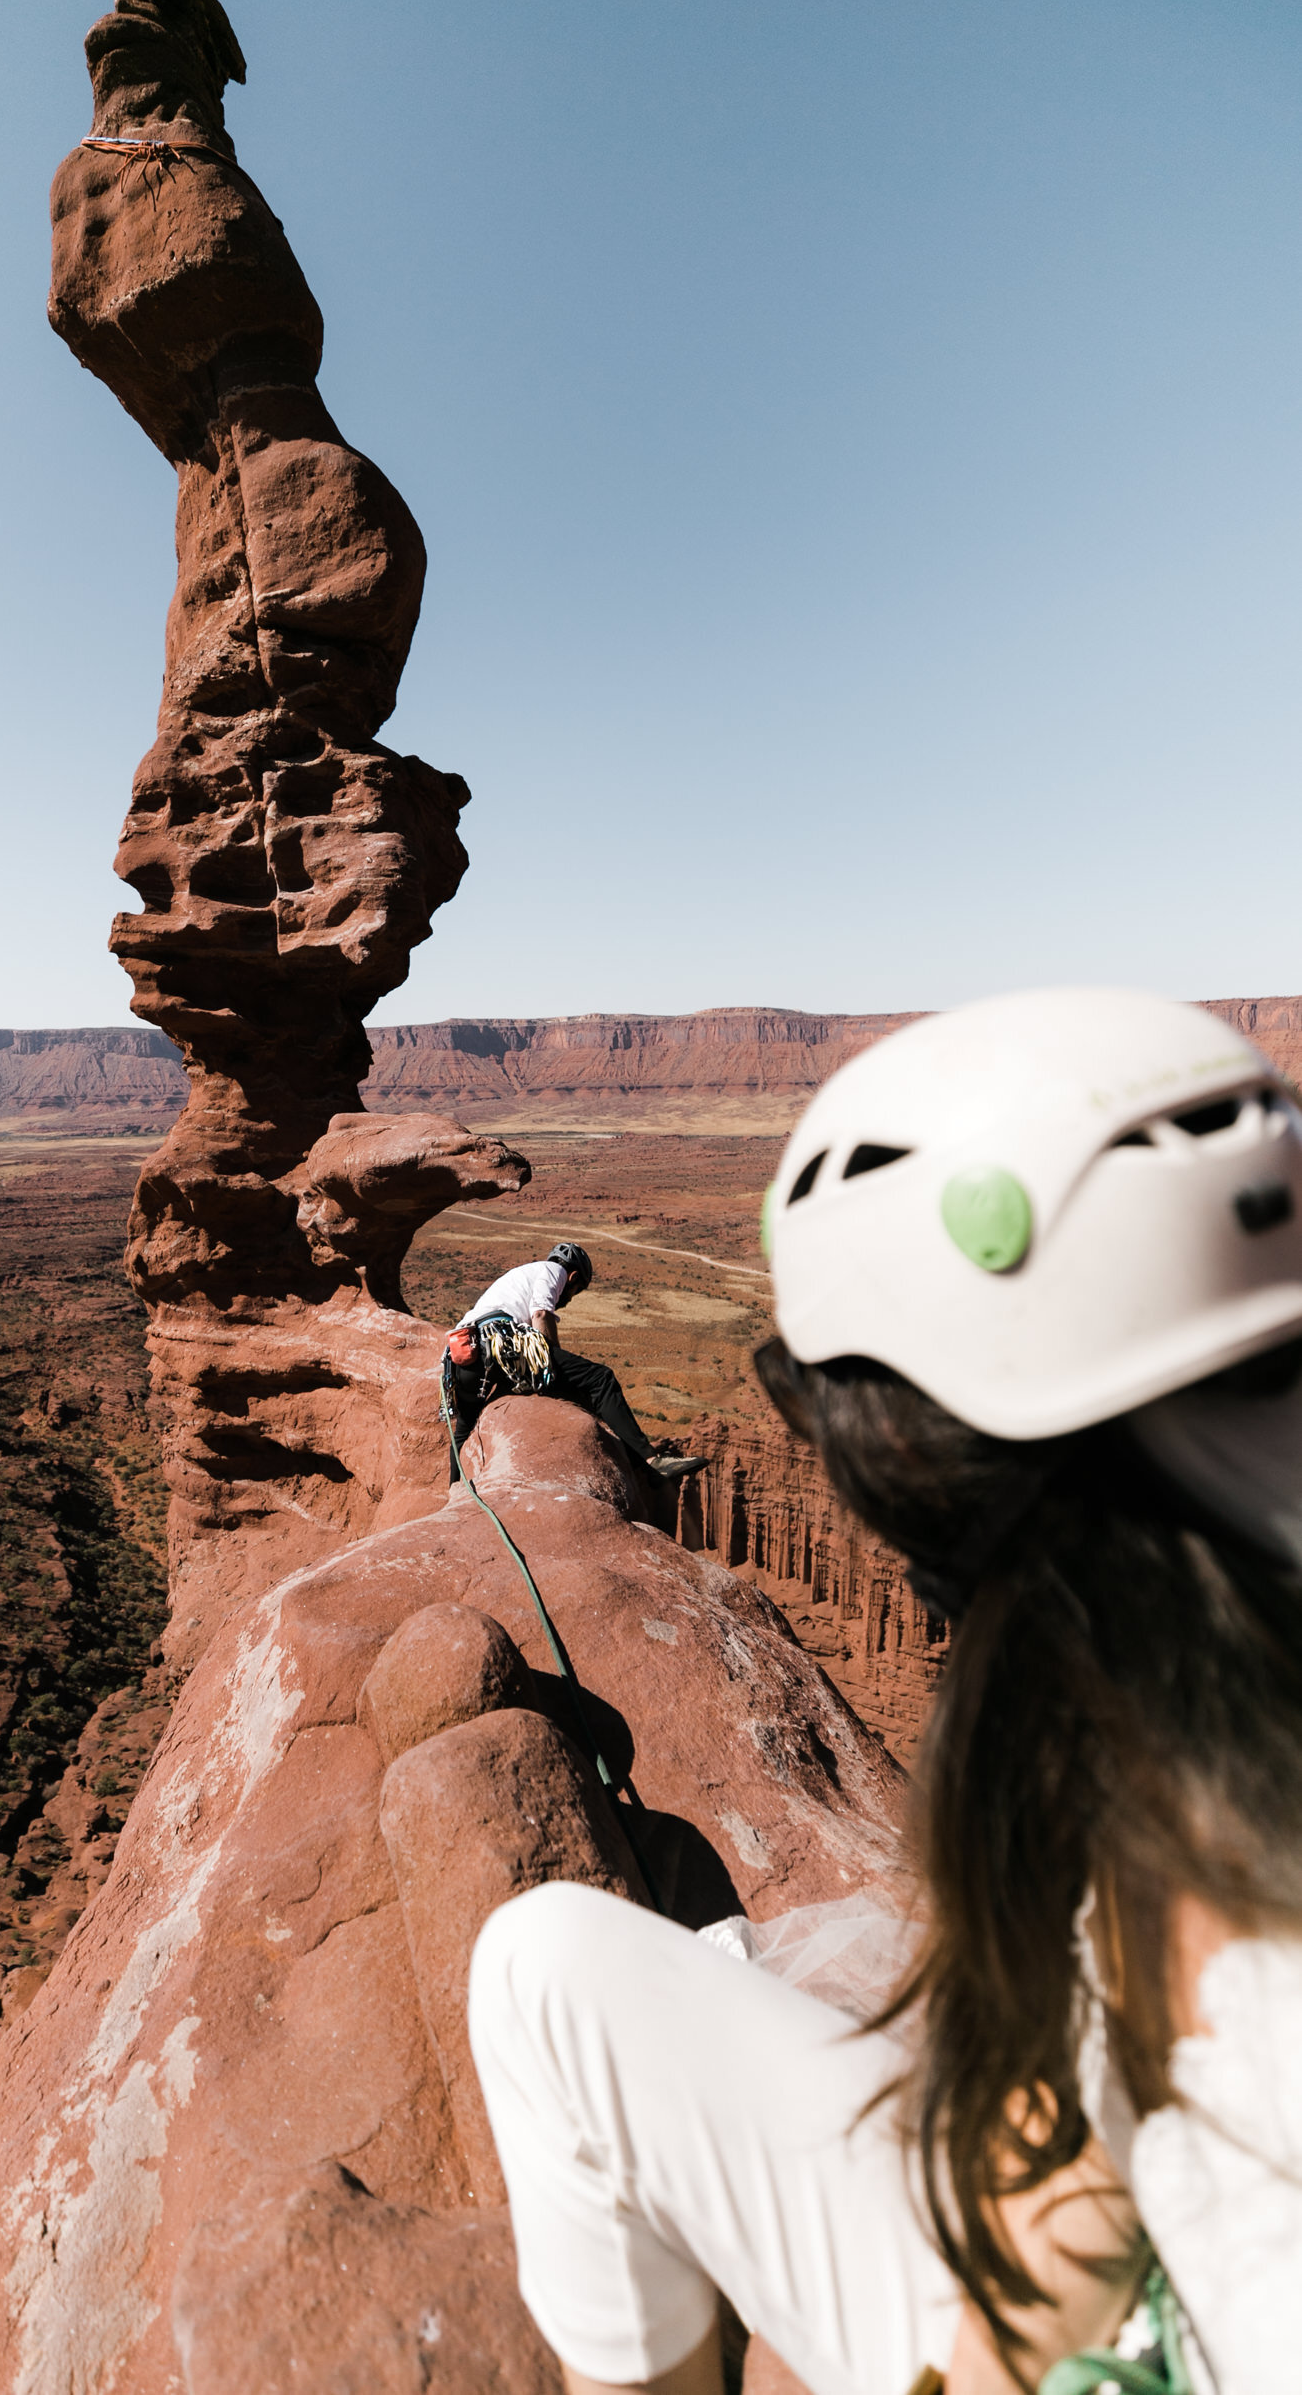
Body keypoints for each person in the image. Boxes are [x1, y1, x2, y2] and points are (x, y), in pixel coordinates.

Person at [468, 989, 1302, 2395]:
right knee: (553, 1968)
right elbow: (1080, 2156)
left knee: (542, 1973)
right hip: (1111, 2283)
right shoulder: (1151, 1722)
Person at [446, 1240, 708, 1483]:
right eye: (574, 1292)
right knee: (600, 1379)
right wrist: (551, 1361)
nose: (568, 1300)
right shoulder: (553, 1271)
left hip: (464, 1358)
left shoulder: (515, 1278)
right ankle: (651, 1462)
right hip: (499, 1346)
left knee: (463, 1429)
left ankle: (454, 1488)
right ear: (573, 1278)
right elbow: (540, 1314)